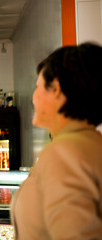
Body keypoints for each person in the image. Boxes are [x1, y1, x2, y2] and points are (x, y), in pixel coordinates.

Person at [11, 43, 102, 239]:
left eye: (38, 86)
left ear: (57, 89)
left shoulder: (64, 152)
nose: (33, 98)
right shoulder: (92, 143)